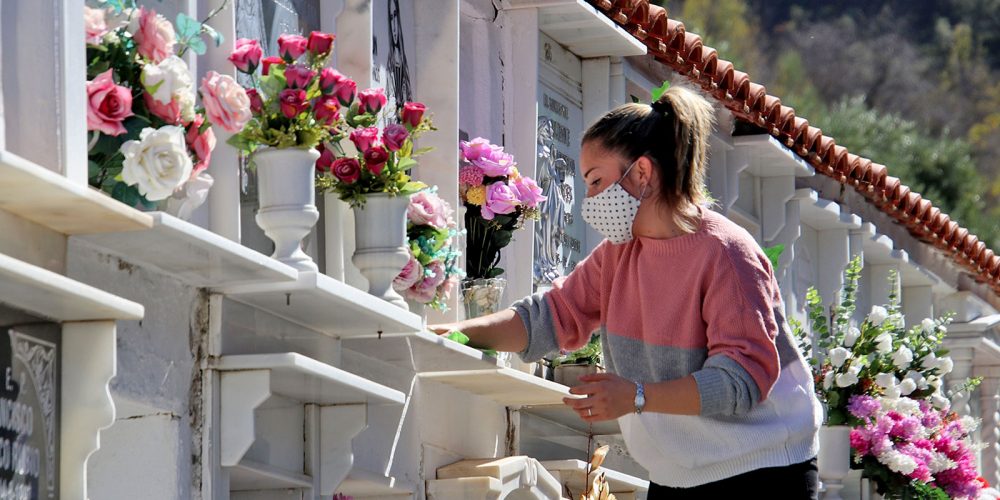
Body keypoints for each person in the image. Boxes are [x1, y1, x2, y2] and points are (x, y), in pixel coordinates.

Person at [431, 85, 822, 498]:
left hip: (764, 471)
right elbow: (546, 317)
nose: (590, 201)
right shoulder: (616, 257)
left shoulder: (727, 253)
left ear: (641, 173)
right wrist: (453, 333)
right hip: (677, 473)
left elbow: (741, 381)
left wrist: (636, 396)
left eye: (597, 181)